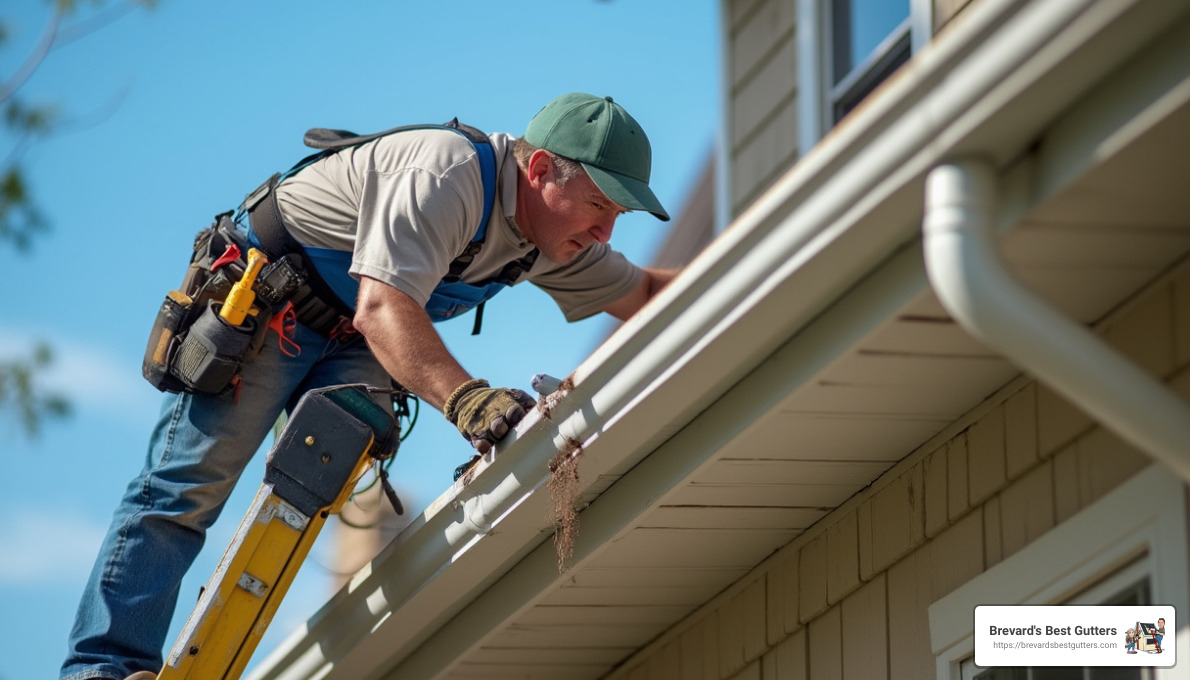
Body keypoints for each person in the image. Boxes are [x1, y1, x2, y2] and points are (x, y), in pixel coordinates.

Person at [62, 92, 676, 680]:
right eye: (599, 206)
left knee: (314, 478)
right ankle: (103, 668)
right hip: (273, 302)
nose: (606, 235)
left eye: (617, 216)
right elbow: (384, 308)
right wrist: (466, 399)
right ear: (540, 169)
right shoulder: (449, 173)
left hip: (356, 338)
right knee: (187, 491)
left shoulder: (551, 238)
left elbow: (647, 293)